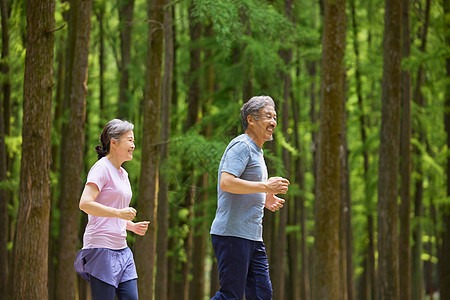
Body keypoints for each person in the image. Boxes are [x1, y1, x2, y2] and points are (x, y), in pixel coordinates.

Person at [210, 96, 290, 300]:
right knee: (231, 295)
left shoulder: (257, 151)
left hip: (252, 235)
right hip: (232, 233)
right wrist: (265, 186)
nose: (273, 122)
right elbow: (226, 182)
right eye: (267, 116)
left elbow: (244, 187)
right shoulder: (242, 146)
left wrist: (265, 197)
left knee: (262, 294)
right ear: (251, 120)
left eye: (275, 117)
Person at [74, 119, 149, 300]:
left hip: (122, 249)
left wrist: (130, 226)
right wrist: (119, 213)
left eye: (133, 140)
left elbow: (115, 211)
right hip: (101, 248)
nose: (133, 144)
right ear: (114, 143)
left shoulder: (124, 174)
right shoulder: (101, 169)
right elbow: (84, 204)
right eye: (129, 140)